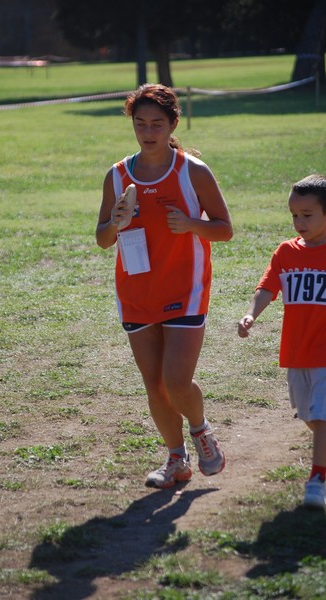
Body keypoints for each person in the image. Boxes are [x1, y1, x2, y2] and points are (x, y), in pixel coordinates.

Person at [96, 83, 233, 489]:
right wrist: (116, 222)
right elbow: (103, 239)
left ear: (173, 122)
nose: (148, 131)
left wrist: (192, 224)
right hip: (136, 292)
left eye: (157, 123)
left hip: (184, 288)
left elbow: (225, 229)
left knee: (176, 380)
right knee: (153, 384)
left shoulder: (193, 171)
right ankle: (176, 459)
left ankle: (201, 430)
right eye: (140, 123)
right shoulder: (118, 175)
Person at [238, 174, 326, 509]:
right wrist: (252, 314)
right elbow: (268, 287)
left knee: (322, 412)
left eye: (307, 215)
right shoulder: (286, 252)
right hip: (296, 349)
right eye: (294, 215)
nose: (298, 222)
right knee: (308, 416)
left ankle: (316, 479)